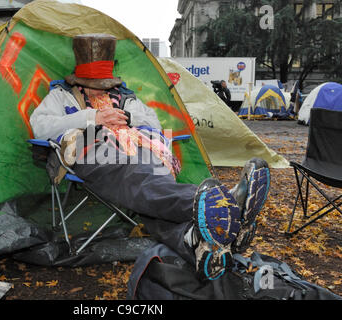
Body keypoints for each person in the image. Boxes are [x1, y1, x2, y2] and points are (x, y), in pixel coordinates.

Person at [30, 34, 270, 281]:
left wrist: (127, 119)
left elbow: (152, 122)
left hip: (137, 150)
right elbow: (40, 126)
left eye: (105, 82)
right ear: (79, 79)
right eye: (94, 82)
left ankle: (196, 243)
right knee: (137, 176)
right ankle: (225, 205)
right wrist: (93, 119)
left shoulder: (125, 97)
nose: (101, 87)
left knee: (152, 177)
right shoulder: (61, 96)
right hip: (91, 153)